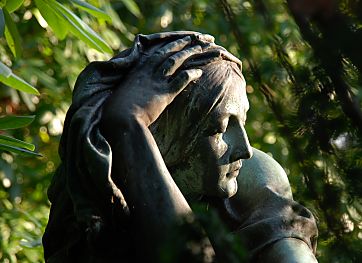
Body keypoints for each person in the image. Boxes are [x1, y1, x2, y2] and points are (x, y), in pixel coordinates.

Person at [43, 32, 318, 262]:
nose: (244, 148)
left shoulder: (254, 180)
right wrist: (130, 125)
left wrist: (128, 122)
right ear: (173, 135)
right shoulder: (90, 192)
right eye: (221, 129)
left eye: (242, 122)